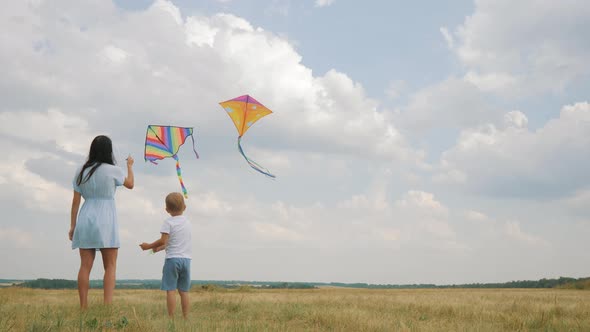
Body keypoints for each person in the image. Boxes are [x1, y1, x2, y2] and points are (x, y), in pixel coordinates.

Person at [69, 135, 134, 309]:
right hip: (106, 219)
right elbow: (130, 184)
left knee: (84, 266)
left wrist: (72, 226)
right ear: (109, 151)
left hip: (86, 216)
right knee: (110, 265)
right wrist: (129, 166)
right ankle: (107, 306)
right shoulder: (113, 170)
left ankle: (83, 307)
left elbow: (75, 202)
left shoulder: (81, 170)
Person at [140, 192, 192, 319]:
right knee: (184, 292)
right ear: (184, 207)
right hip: (186, 260)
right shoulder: (187, 222)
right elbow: (174, 243)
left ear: (167, 209)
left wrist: (149, 246)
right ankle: (185, 318)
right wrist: (159, 249)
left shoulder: (168, 222)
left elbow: (164, 240)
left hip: (172, 260)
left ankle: (171, 318)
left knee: (171, 290)